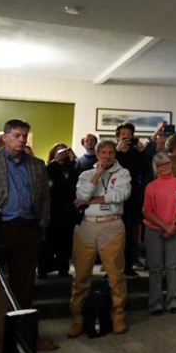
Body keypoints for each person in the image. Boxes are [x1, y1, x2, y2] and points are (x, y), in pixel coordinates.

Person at [0, 119, 50, 353]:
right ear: (4, 137)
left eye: (25, 135)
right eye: (17, 135)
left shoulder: (37, 165)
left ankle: (20, 340)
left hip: (27, 230)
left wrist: (42, 225)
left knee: (24, 288)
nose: (22, 140)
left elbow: (45, 199)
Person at [68, 140, 131, 337]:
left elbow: (121, 194)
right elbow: (82, 193)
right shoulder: (86, 174)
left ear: (115, 154)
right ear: (97, 154)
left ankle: (118, 314)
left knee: (115, 275)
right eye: (103, 152)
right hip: (87, 227)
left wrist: (91, 200)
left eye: (111, 152)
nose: (107, 156)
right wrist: (97, 175)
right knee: (81, 276)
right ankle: (78, 317)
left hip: (112, 225)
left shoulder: (123, 173)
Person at [142, 152, 176, 315]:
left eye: (167, 163)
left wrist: (172, 225)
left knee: (173, 266)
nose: (164, 167)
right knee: (155, 268)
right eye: (160, 165)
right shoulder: (151, 186)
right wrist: (164, 226)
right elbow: (147, 211)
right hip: (154, 231)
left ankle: (174, 301)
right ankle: (155, 303)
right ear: (156, 168)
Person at [114, 122, 149, 278]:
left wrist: (142, 152)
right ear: (118, 137)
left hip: (132, 197)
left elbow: (145, 170)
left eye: (129, 135)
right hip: (114, 197)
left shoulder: (136, 154)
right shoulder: (113, 153)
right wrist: (117, 152)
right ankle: (112, 269)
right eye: (124, 135)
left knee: (130, 233)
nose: (127, 138)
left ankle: (128, 267)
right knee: (114, 234)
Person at [39, 143, 78, 278]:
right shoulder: (49, 167)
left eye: (65, 151)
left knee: (65, 242)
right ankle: (44, 269)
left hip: (67, 211)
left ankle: (63, 268)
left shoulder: (71, 168)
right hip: (50, 210)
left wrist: (73, 162)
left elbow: (76, 184)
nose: (62, 154)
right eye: (59, 151)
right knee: (47, 242)